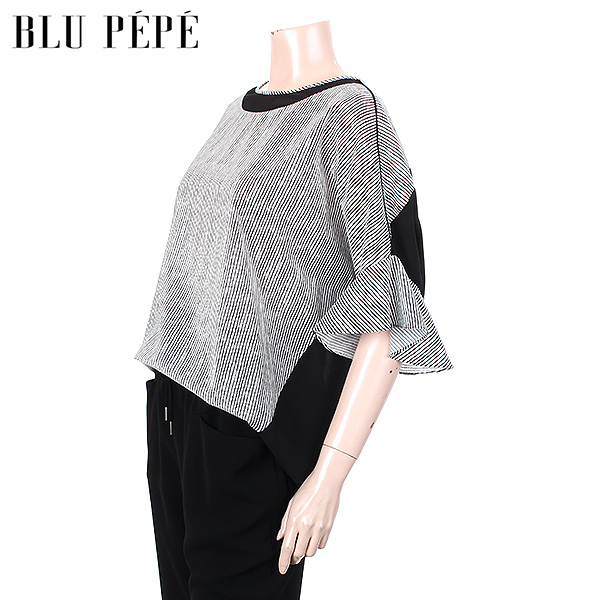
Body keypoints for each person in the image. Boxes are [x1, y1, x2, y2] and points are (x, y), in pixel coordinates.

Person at [134, 19, 453, 600]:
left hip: (248, 430)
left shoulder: (351, 115)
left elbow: (390, 309)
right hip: (174, 414)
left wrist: (329, 475)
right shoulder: (237, 110)